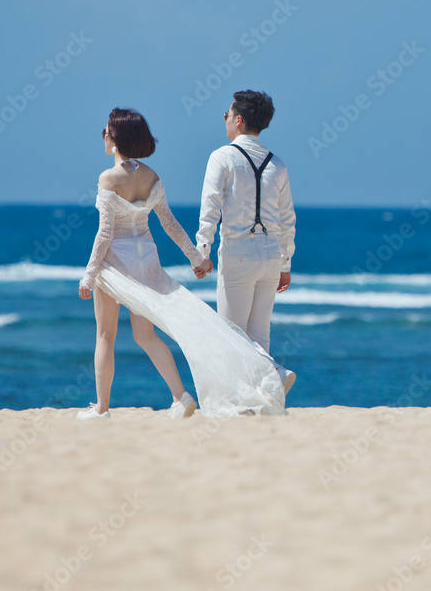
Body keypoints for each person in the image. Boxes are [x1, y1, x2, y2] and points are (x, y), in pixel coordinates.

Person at [78, 108, 286, 420]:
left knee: (105, 336)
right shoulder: (151, 177)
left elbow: (105, 232)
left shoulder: (108, 178)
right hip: (146, 258)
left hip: (116, 262)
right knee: (144, 335)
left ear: (118, 137)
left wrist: (89, 275)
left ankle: (102, 409)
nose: (104, 136)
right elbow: (170, 224)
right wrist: (196, 257)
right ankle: (180, 397)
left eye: (107, 131)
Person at [196, 90, 297, 393]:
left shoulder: (222, 157)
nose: (224, 118)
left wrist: (203, 250)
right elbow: (287, 218)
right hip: (270, 255)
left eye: (226, 114)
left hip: (239, 253)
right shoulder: (277, 164)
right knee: (258, 336)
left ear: (238, 120)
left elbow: (210, 207)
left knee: (231, 336)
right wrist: (286, 262)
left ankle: (274, 374)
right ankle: (262, 402)